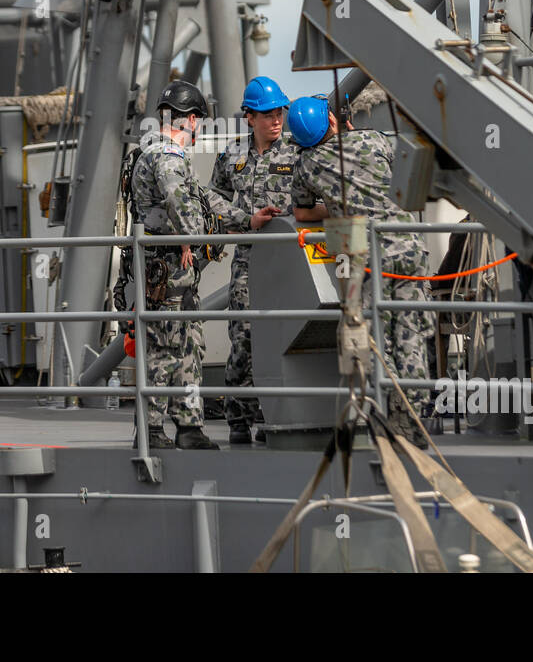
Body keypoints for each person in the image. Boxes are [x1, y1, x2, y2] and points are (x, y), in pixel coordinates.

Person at [129, 79, 275, 450]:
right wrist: (193, 237)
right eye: (197, 121)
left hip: (179, 274)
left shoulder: (162, 154)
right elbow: (184, 204)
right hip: (166, 271)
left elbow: (204, 196)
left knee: (189, 344)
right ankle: (151, 429)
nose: (197, 128)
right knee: (164, 348)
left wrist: (247, 219)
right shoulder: (166, 156)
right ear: (190, 119)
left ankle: (190, 424)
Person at [287, 94, 434, 444]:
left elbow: (302, 214)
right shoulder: (374, 139)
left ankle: (390, 417)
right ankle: (417, 416)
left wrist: (340, 207)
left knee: (373, 338)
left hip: (363, 253)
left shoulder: (306, 164)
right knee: (409, 332)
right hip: (408, 245)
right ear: (333, 121)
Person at [208, 76, 296, 444]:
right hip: (249, 259)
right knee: (244, 336)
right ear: (249, 117)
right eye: (267, 115)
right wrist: (245, 220)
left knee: (286, 335)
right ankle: (239, 417)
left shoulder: (297, 153)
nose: (275, 121)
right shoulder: (232, 156)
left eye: (279, 113)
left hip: (292, 261)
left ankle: (275, 414)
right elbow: (211, 199)